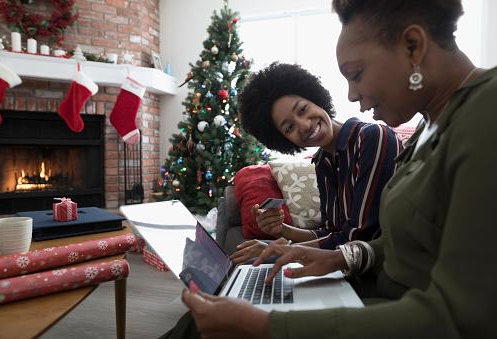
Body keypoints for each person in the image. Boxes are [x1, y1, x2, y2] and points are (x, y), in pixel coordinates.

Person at [163, 0, 497, 338]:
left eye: (356, 74)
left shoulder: (486, 111)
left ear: (413, 45)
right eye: (289, 127)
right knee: (212, 314)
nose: (352, 95)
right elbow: (396, 243)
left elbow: (463, 318)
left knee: (215, 323)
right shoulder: (427, 130)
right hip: (372, 289)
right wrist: (336, 258)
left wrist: (266, 326)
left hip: (395, 308)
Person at [230, 62, 401, 265]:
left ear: (316, 99)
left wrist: (277, 250)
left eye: (303, 109)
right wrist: (282, 229)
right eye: (289, 127)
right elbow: (330, 232)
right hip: (347, 272)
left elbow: (358, 238)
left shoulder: (372, 138)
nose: (304, 125)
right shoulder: (322, 160)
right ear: (285, 141)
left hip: (384, 272)